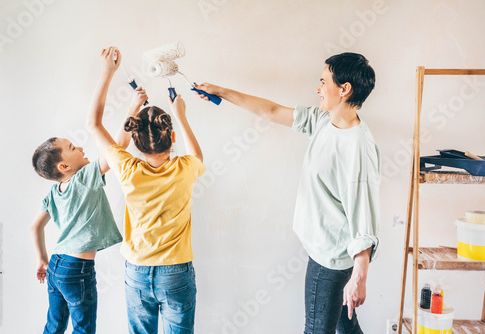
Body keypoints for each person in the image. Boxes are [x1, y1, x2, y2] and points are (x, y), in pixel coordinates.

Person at [195, 52, 380, 334]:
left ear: (344, 89)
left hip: (330, 259)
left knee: (317, 330)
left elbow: (364, 213)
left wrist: (360, 276)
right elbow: (271, 111)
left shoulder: (357, 147)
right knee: (346, 327)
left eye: (323, 82)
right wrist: (220, 91)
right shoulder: (323, 120)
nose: (318, 88)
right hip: (325, 250)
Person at [86, 46, 205, 334]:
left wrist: (109, 74)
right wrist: (182, 116)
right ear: (172, 136)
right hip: (176, 271)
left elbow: (93, 124)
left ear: (135, 141)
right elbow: (197, 157)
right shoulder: (186, 168)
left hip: (137, 270)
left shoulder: (126, 167)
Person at [29, 47, 135, 333]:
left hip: (56, 267)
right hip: (76, 270)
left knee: (53, 326)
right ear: (64, 166)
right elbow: (119, 148)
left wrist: (42, 258)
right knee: (84, 328)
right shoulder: (85, 177)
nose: (81, 148)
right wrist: (131, 110)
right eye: (74, 148)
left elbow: (35, 226)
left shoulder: (55, 192)